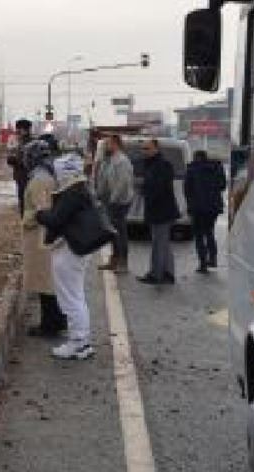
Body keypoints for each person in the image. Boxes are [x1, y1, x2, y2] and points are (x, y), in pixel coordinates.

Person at [35, 154, 114, 360]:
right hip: (77, 250)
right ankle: (82, 342)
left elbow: (56, 219)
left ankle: (78, 343)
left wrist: (39, 214)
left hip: (70, 250)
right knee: (76, 296)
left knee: (70, 298)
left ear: (64, 172)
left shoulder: (72, 192)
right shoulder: (82, 188)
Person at [21, 139, 67, 338]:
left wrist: (27, 218)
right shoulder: (47, 175)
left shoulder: (40, 180)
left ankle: (50, 323)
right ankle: (55, 318)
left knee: (44, 279)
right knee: (47, 279)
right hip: (45, 235)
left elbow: (43, 209)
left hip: (40, 236)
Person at [137, 139, 179, 285]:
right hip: (160, 210)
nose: (144, 151)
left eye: (147, 148)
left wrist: (145, 191)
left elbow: (158, 188)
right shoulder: (152, 165)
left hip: (161, 211)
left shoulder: (161, 165)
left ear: (156, 149)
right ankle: (168, 273)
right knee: (163, 243)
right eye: (143, 149)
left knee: (158, 244)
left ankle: (156, 275)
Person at [93, 134, 136, 273]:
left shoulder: (122, 161)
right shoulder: (109, 160)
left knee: (120, 233)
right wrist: (99, 195)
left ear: (116, 144)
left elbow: (122, 183)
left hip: (120, 201)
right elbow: (103, 179)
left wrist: (114, 199)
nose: (106, 146)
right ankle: (114, 260)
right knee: (113, 232)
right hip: (110, 200)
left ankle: (123, 263)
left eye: (108, 144)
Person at [184, 149, 227, 273]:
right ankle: (212, 259)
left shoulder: (192, 169)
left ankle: (202, 264)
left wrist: (190, 205)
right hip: (213, 207)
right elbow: (223, 185)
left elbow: (187, 190)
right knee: (209, 232)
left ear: (195, 157)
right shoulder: (216, 167)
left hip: (197, 208)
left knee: (198, 235)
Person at [7, 119, 34, 213]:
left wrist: (11, 158)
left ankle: (26, 221)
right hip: (30, 176)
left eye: (18, 130)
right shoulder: (31, 142)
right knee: (29, 200)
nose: (17, 132)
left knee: (24, 200)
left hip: (23, 176)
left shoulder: (23, 143)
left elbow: (20, 160)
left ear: (23, 130)